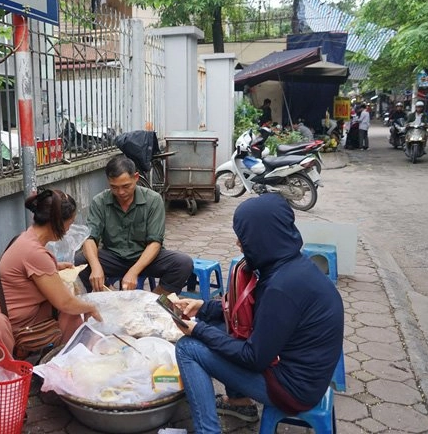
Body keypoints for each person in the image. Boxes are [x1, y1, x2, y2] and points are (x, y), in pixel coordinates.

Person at [173, 194, 344, 432]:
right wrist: (203, 308)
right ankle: (240, 403)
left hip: (293, 389)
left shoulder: (282, 287)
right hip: (303, 371)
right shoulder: (289, 265)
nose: (239, 244)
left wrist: (198, 330)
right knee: (217, 327)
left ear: (261, 237)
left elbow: (253, 357)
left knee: (188, 348)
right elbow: (249, 312)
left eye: (243, 238)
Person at [0, 189, 102, 356]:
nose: (70, 228)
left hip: (15, 324)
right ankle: (1, 378)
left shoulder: (26, 239)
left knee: (68, 313)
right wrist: (91, 307)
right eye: (70, 222)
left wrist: (54, 267)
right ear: (59, 222)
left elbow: (26, 272)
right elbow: (65, 302)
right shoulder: (34, 252)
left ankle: (70, 361)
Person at [75, 154, 193, 294]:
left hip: (145, 257)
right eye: (114, 187)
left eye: (126, 186)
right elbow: (90, 238)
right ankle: (109, 295)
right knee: (79, 261)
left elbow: (155, 243)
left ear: (136, 177)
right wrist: (96, 267)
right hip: (113, 256)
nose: (120, 192)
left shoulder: (153, 200)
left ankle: (152, 303)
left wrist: (133, 271)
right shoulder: (99, 201)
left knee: (183, 263)